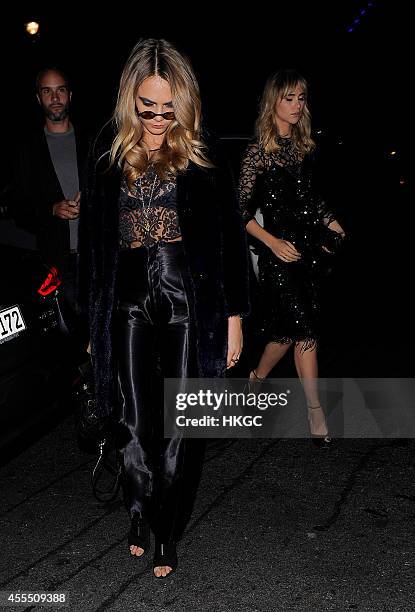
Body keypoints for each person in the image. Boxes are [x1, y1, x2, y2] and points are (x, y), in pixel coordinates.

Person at [80, 38, 249, 578]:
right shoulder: (108, 146)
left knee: (181, 418)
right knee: (130, 419)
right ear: (132, 99)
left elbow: (228, 237)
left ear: (184, 101)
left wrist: (234, 317)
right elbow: (93, 239)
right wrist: (91, 322)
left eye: (166, 108)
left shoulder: (204, 149)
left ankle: (166, 529)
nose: (156, 118)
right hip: (126, 296)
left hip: (186, 296)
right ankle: (137, 510)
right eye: (146, 107)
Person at [238, 69, 345, 446]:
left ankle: (255, 378)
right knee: (304, 327)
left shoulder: (305, 147)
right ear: (274, 102)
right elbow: (241, 213)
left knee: (287, 332)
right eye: (289, 98)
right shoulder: (257, 152)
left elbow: (311, 200)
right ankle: (315, 412)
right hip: (275, 252)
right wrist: (271, 243)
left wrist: (332, 222)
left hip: (307, 252)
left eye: (302, 97)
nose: (297, 105)